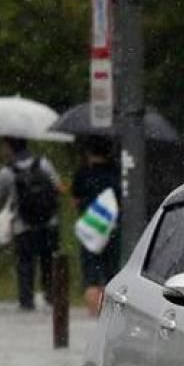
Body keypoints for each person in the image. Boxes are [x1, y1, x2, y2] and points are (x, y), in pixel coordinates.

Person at [0, 137, 63, 311]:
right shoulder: (44, 163)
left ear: (9, 147)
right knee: (48, 260)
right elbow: (58, 187)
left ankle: (26, 301)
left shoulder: (6, 172)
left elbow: (1, 198)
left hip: (23, 225)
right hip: (49, 223)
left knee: (25, 263)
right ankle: (51, 297)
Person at [71, 135, 122, 316]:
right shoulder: (117, 173)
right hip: (113, 229)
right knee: (112, 273)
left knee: (91, 276)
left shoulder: (83, 173)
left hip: (90, 229)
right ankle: (108, 314)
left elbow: (75, 201)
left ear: (88, 151)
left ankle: (95, 313)